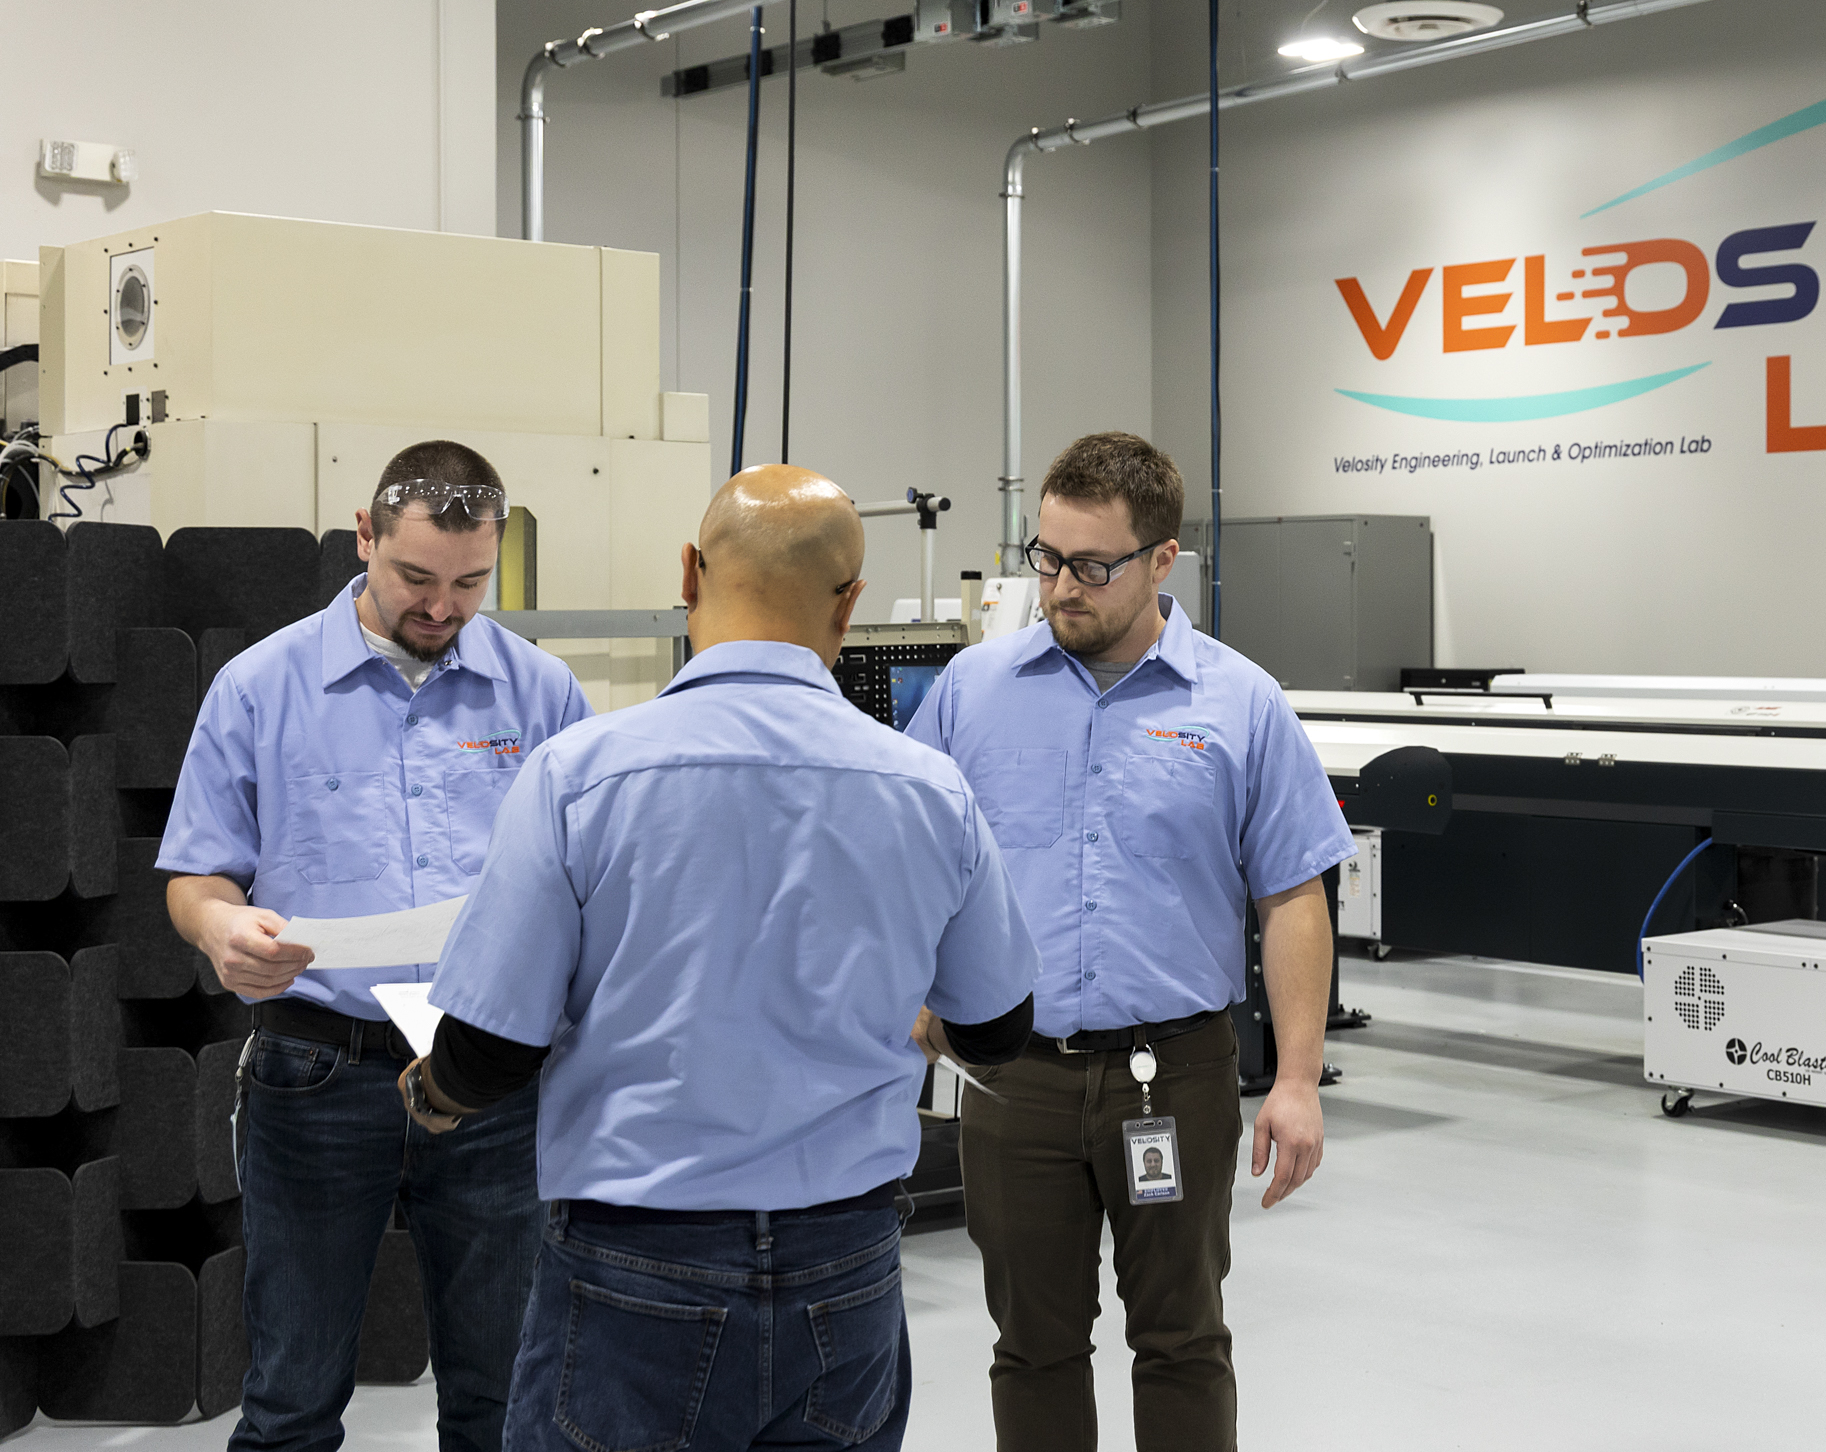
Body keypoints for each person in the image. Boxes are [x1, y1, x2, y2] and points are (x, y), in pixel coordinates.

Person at [406, 464, 1040, 1452]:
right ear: (851, 604)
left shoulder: (580, 775)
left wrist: (432, 1093)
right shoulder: (930, 789)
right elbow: (1000, 1031)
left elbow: (490, 1048)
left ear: (690, 573)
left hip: (636, 1263)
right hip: (848, 1268)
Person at [905, 431, 1357, 1452]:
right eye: (1047, 557)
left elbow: (1294, 894)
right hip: (1013, 1075)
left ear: (1162, 560)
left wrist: (1295, 1079)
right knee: (1033, 1344)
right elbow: (914, 859)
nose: (1062, 586)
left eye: (1092, 565)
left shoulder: (1239, 703)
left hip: (1176, 1074)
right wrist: (920, 991)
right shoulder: (972, 692)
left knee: (1183, 1338)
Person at [159, 441, 593, 1452]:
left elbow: (587, 879)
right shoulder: (258, 687)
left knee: (503, 1398)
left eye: (469, 582)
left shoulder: (543, 695)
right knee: (291, 1397)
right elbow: (196, 876)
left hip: (492, 1075)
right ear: (364, 537)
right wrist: (220, 926)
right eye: (415, 578)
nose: (440, 606)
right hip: (319, 1072)